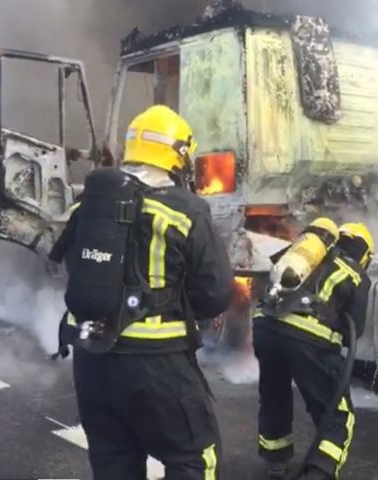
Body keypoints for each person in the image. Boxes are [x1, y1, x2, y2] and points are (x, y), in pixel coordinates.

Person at [48, 105, 234, 480]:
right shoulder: (186, 210)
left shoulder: (88, 205)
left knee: (113, 460)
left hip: (92, 362)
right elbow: (213, 296)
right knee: (195, 459)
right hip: (157, 365)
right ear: (178, 154)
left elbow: (72, 265)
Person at [253, 221, 375, 480]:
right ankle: (320, 472)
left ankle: (275, 460)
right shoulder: (355, 273)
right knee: (338, 412)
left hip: (265, 326)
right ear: (366, 255)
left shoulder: (304, 256)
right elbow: (355, 330)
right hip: (308, 338)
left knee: (274, 393)